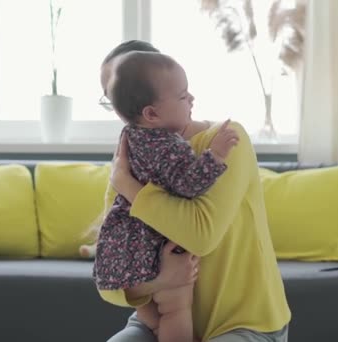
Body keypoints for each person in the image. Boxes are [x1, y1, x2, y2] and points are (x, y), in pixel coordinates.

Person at [100, 40, 291, 342]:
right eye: (114, 101)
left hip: (244, 324)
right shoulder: (129, 158)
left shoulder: (227, 140)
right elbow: (110, 280)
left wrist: (129, 187)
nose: (123, 114)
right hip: (159, 323)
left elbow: (200, 235)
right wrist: (161, 282)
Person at [94, 51, 239, 342]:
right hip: (156, 246)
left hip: (124, 247)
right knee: (175, 310)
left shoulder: (128, 139)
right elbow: (188, 184)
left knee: (154, 320)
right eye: (183, 96)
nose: (192, 100)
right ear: (152, 113)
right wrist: (217, 156)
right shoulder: (167, 146)